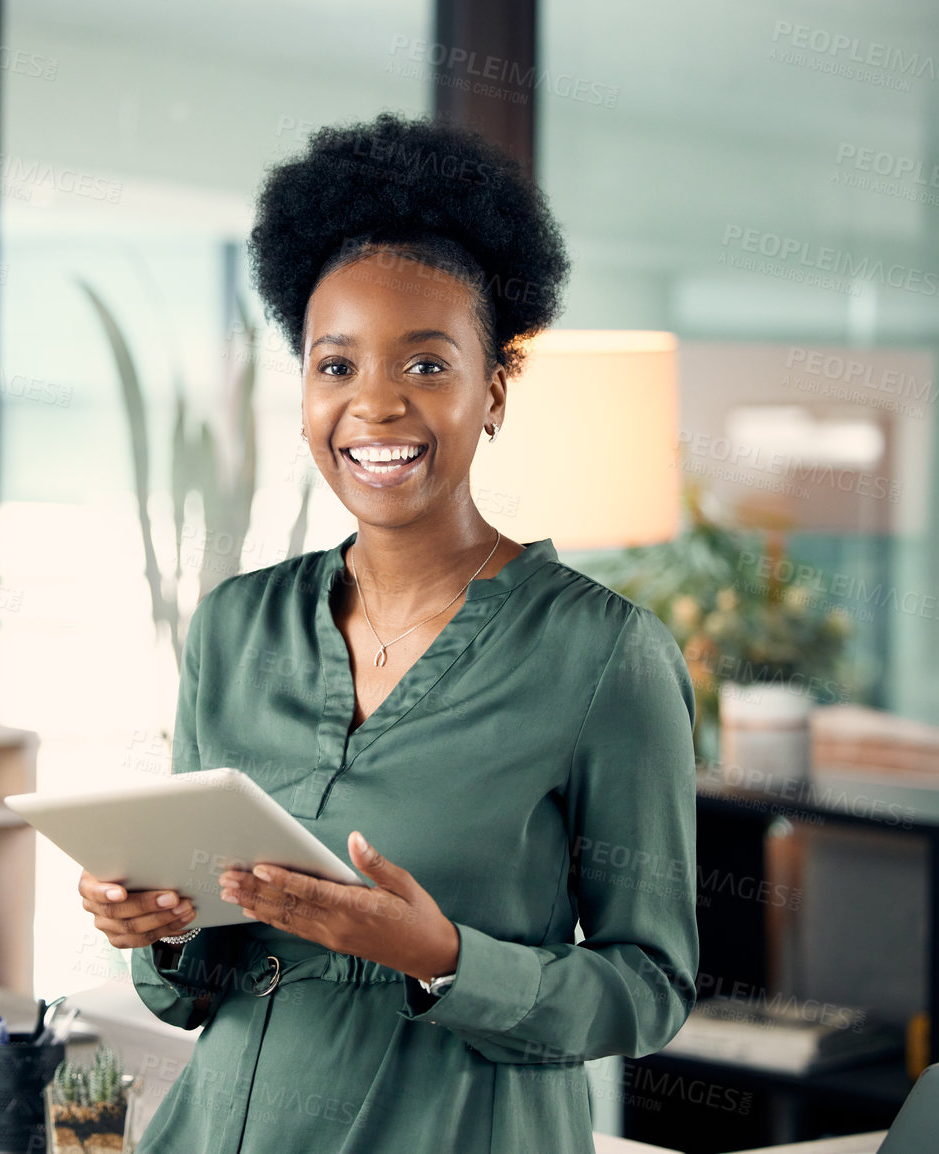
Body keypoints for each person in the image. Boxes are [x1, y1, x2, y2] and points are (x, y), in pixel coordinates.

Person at [76, 112, 698, 1153]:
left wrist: (446, 955)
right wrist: (158, 922)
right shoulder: (236, 626)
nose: (375, 407)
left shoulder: (604, 657)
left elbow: (652, 987)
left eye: (425, 365)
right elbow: (184, 989)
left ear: (492, 391)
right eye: (336, 366)